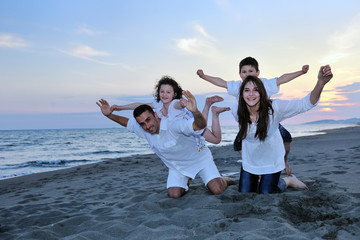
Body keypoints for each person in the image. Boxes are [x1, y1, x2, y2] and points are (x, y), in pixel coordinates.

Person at [96, 90, 234, 199]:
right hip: (177, 167)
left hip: (200, 159)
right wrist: (109, 115)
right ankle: (186, 179)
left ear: (155, 115)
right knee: (174, 194)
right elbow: (126, 122)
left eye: (148, 120)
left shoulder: (173, 124)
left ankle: (225, 179)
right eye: (142, 123)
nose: (147, 125)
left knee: (217, 189)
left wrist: (195, 112)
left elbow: (199, 125)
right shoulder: (143, 128)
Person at [197, 57, 309, 175]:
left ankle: (284, 161)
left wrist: (301, 72)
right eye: (244, 72)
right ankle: (254, 166)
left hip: (268, 121)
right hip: (248, 123)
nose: (247, 74)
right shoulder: (238, 86)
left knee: (286, 137)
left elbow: (282, 78)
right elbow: (221, 82)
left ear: (257, 73)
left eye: (251, 71)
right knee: (238, 145)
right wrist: (204, 76)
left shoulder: (266, 83)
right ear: (240, 74)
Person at [235, 65, 333, 194]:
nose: (251, 94)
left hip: (272, 160)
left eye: (256, 90)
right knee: (245, 194)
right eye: (247, 90)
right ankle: (261, 179)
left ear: (262, 92)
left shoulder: (275, 108)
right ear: (242, 94)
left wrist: (320, 83)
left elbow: (305, 104)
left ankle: (288, 181)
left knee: (267, 193)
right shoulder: (237, 112)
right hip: (251, 162)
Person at [110, 76, 230, 145]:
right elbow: (139, 105)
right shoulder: (157, 104)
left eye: (168, 92)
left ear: (174, 94)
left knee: (216, 140)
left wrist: (183, 103)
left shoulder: (174, 104)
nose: (164, 95)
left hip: (189, 125)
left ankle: (211, 109)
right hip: (180, 135)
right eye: (162, 92)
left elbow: (179, 105)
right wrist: (120, 108)